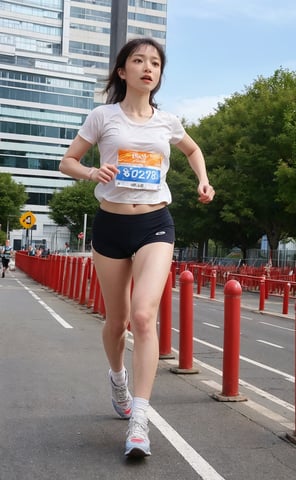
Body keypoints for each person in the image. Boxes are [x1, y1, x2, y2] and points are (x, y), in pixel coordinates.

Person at [59, 37, 215, 457]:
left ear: (159, 75)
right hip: (110, 225)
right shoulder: (102, 116)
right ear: (122, 71)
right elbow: (67, 162)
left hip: (155, 223)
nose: (148, 67)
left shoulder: (167, 122)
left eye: (155, 63)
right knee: (118, 321)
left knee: (144, 316)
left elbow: (192, 148)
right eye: (138, 60)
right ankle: (117, 378)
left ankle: (140, 420)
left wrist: (202, 178)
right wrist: (93, 172)